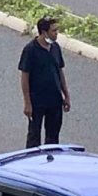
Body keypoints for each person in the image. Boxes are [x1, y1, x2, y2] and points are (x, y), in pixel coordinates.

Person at [18, 16, 70, 148]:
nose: (56, 33)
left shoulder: (55, 48)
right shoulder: (30, 50)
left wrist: (66, 95)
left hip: (54, 100)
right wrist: (27, 103)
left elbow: (60, 71)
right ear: (44, 32)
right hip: (37, 101)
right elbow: (25, 77)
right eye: (53, 30)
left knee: (53, 137)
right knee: (34, 135)